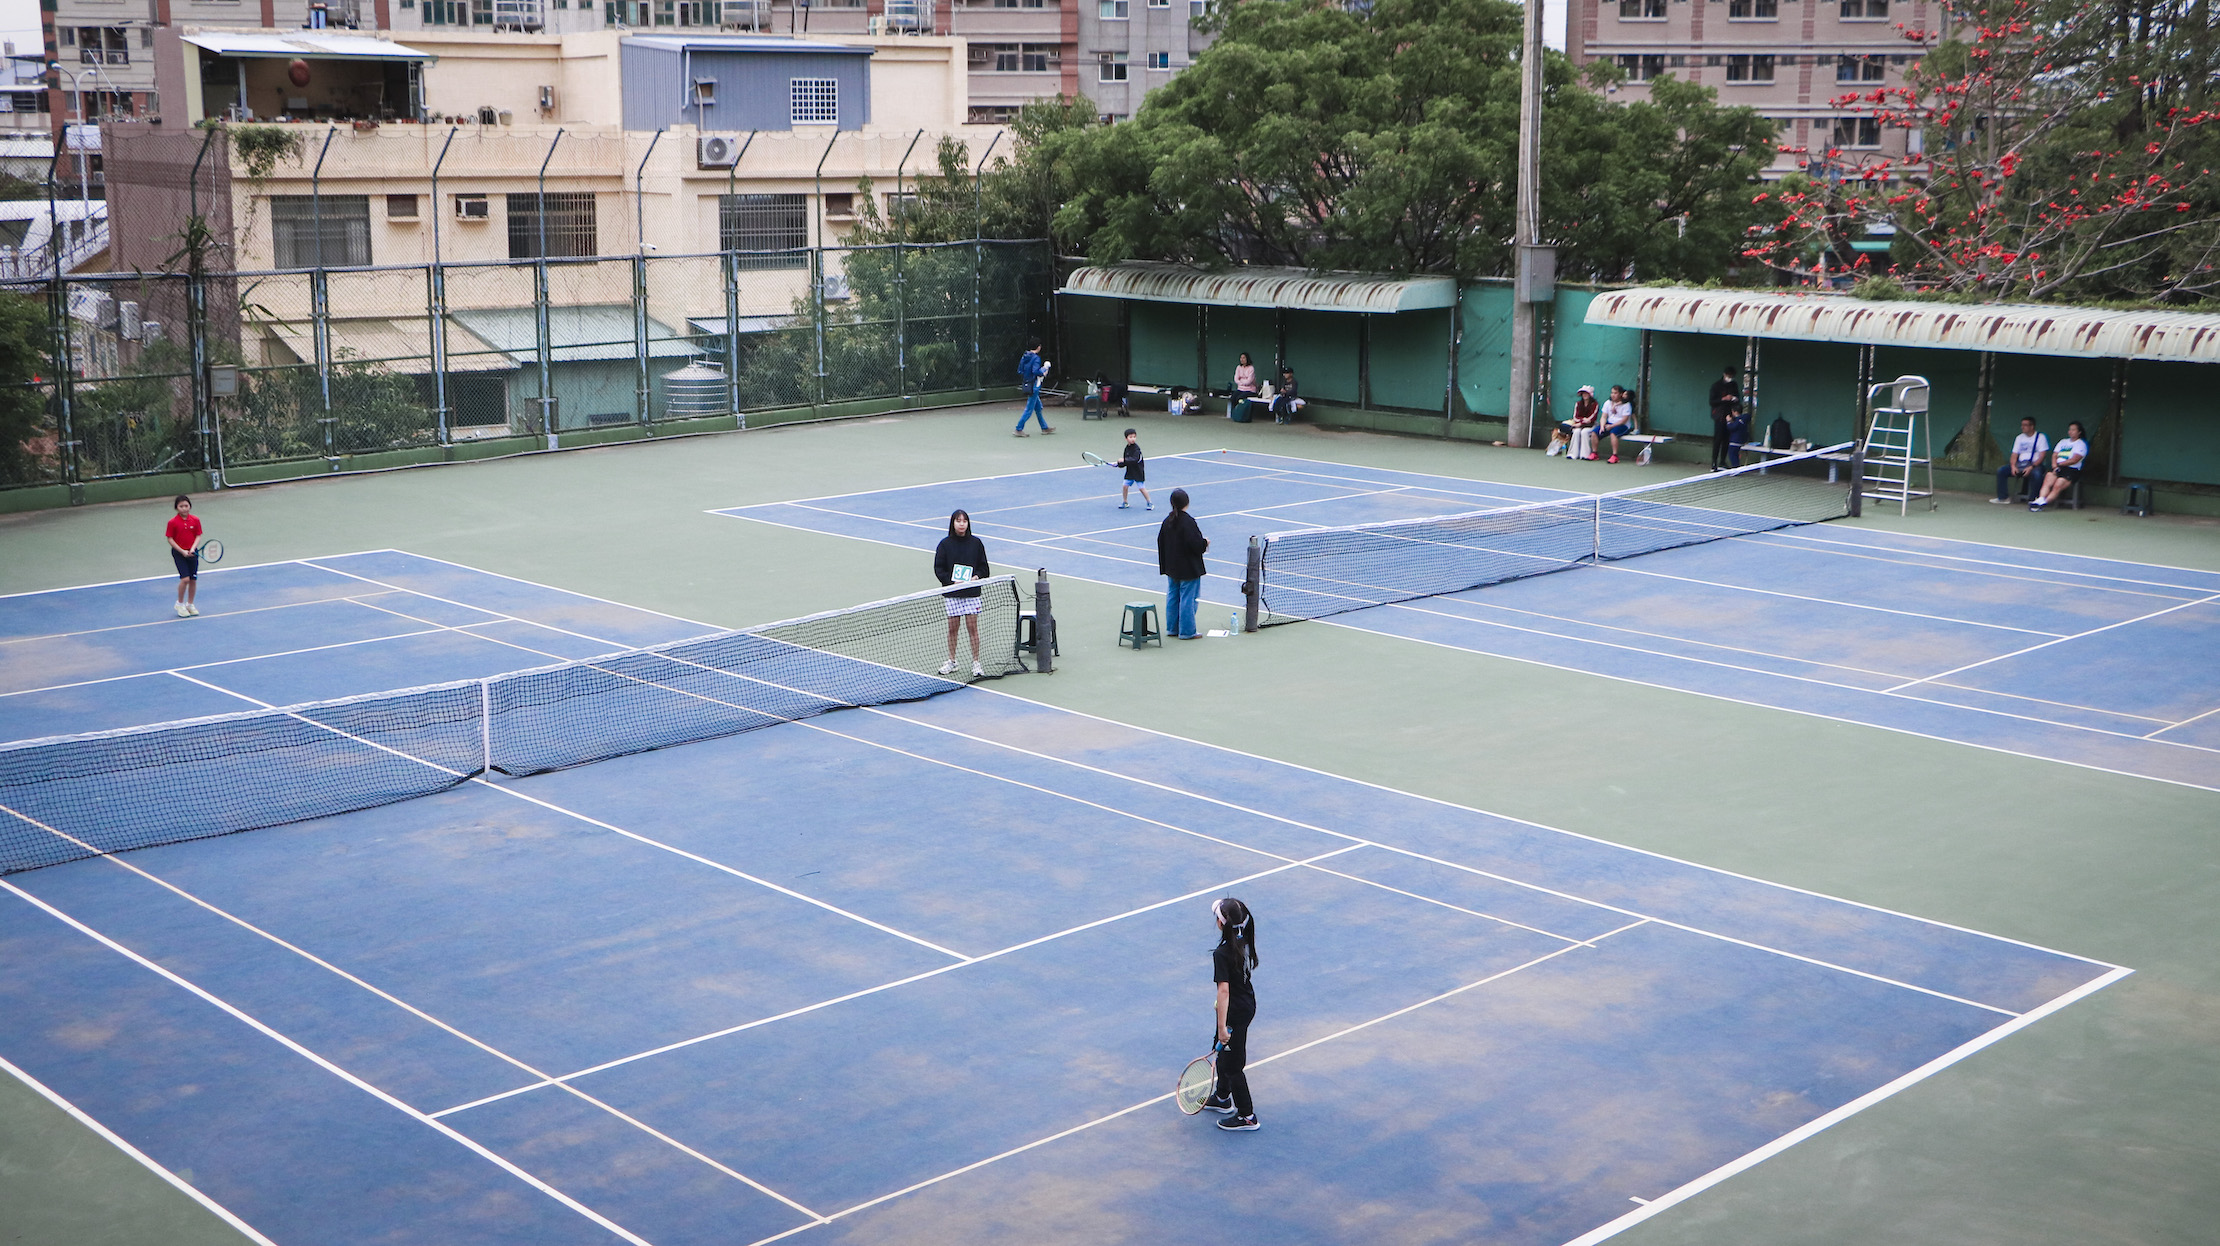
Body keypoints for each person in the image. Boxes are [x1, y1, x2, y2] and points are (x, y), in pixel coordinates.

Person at [1198, 896, 1260, 1131]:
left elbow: (1223, 990)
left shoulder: (1222, 953)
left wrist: (1223, 1027)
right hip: (1245, 1003)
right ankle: (1223, 1097)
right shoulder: (1243, 939)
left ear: (1221, 924)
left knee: (1232, 1065)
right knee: (1221, 1050)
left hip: (1236, 1012)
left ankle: (1247, 1116)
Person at [933, 509, 989, 677]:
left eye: (964, 521)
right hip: (952, 593)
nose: (962, 524)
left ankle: (976, 663)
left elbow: (984, 567)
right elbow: (939, 569)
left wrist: (976, 577)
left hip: (972, 593)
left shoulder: (976, 543)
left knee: (972, 628)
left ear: (968, 523)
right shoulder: (944, 544)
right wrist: (952, 582)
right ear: (953, 523)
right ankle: (952, 661)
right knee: (953, 628)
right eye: (958, 521)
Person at [1157, 488, 1208, 640]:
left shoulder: (1167, 521)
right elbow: (1196, 545)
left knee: (1173, 596)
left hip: (1172, 567)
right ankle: (1187, 631)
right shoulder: (1188, 522)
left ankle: (1172, 628)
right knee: (1188, 598)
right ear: (1187, 502)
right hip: (1188, 568)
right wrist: (1205, 543)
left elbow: (1160, 542)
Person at [2031, 420, 2089, 511]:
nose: (2070, 432)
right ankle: (2040, 499)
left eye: (2073, 430)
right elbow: (2055, 455)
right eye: (2070, 429)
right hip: (2057, 467)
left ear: (2079, 432)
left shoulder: (2081, 444)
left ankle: (2043, 503)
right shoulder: (2063, 442)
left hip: (2072, 470)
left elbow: (2074, 460)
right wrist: (2055, 466)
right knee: (2048, 479)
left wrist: (2060, 464)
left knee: (2058, 484)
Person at [1994, 416, 2049, 504]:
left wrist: (2031, 467)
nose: (2022, 427)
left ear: (2032, 426)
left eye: (2025, 425)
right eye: (2022, 425)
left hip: (2035, 465)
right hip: (2020, 464)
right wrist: (2013, 466)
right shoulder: (2019, 438)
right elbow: (2014, 454)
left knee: (2037, 474)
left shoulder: (2040, 437)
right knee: (2001, 471)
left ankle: (2034, 499)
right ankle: (2003, 497)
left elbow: (2042, 456)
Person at [166, 495, 204, 618]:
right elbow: (170, 539)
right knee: (185, 579)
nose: (184, 508)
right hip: (179, 553)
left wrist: (192, 548)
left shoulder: (195, 520)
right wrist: (182, 551)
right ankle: (180, 604)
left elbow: (198, 535)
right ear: (176, 508)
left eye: (186, 506)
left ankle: (190, 604)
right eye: (181, 506)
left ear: (190, 506)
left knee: (193, 579)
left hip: (193, 553)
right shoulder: (172, 522)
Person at [1014, 339, 1054, 437]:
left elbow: (1020, 370)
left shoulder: (1024, 356)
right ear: (1038, 347)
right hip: (1034, 386)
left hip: (1027, 384)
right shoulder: (1036, 358)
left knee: (1038, 408)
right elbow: (1036, 371)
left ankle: (1044, 428)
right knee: (1029, 410)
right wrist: (1043, 371)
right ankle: (1018, 429)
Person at [1708, 366, 1742, 471]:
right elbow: (1712, 402)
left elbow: (1738, 398)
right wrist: (1723, 399)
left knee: (1726, 439)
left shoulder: (1734, 385)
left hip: (1730, 415)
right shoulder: (1716, 386)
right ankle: (1714, 462)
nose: (1730, 378)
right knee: (1718, 439)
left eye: (1732, 376)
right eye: (1728, 375)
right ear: (1724, 374)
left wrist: (1734, 398)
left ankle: (1722, 461)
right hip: (1719, 416)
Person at [1559, 385, 1600, 460]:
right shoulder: (1578, 404)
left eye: (1586, 393)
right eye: (1583, 393)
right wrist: (1582, 421)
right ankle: (1573, 454)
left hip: (1591, 426)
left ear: (1590, 395)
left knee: (1584, 432)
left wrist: (1581, 423)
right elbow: (1575, 417)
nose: (1584, 395)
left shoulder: (1595, 404)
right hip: (1578, 425)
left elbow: (1592, 418)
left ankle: (1584, 455)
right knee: (1576, 432)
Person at [1598, 385, 1637, 463]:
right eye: (1612, 393)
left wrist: (1611, 426)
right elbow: (1603, 417)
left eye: (1615, 393)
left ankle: (1615, 456)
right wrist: (1602, 426)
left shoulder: (1627, 404)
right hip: (1610, 423)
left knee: (1613, 433)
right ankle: (1594, 453)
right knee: (1594, 432)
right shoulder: (1608, 402)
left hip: (1623, 426)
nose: (1613, 395)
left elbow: (1624, 420)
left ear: (1620, 394)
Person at [1117, 428, 1151, 510]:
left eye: (1134, 437)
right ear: (1126, 438)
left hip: (1138, 472)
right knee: (1125, 486)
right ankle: (1125, 502)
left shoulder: (1136, 449)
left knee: (1141, 488)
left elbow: (1134, 460)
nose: (1133, 439)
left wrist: (1123, 460)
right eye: (1130, 437)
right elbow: (1126, 462)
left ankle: (1149, 502)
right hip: (1130, 472)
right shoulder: (1127, 448)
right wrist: (1119, 464)